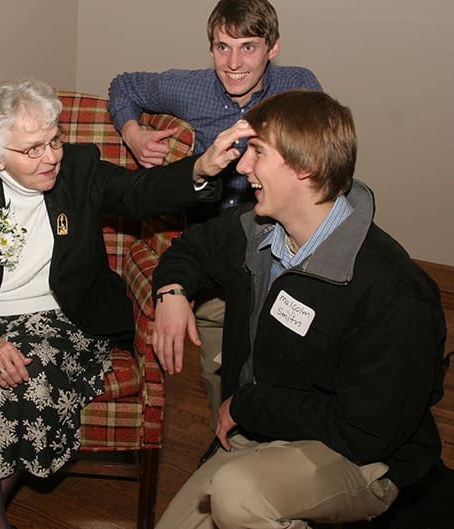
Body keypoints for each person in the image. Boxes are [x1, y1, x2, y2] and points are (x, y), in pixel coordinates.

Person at [0, 77, 221, 529]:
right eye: (33, 149)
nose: (51, 157)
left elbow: (140, 193)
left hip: (63, 317)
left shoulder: (80, 168)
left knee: (29, 378)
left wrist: (200, 170)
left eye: (54, 140)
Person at [151, 90, 446, 528]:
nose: (243, 166)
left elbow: (367, 432)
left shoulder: (394, 291)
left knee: (239, 496)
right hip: (260, 431)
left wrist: (249, 405)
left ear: (305, 167)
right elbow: (192, 249)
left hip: (359, 455)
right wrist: (171, 293)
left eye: (257, 153)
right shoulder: (256, 231)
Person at [108, 0, 323, 429]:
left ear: (273, 48)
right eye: (223, 48)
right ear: (210, 49)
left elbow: (321, 158)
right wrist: (133, 132)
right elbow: (124, 86)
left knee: (288, 364)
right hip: (212, 247)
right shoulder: (190, 88)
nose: (234, 63)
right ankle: (224, 438)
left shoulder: (298, 87)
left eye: (248, 47)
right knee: (218, 370)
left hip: (280, 247)